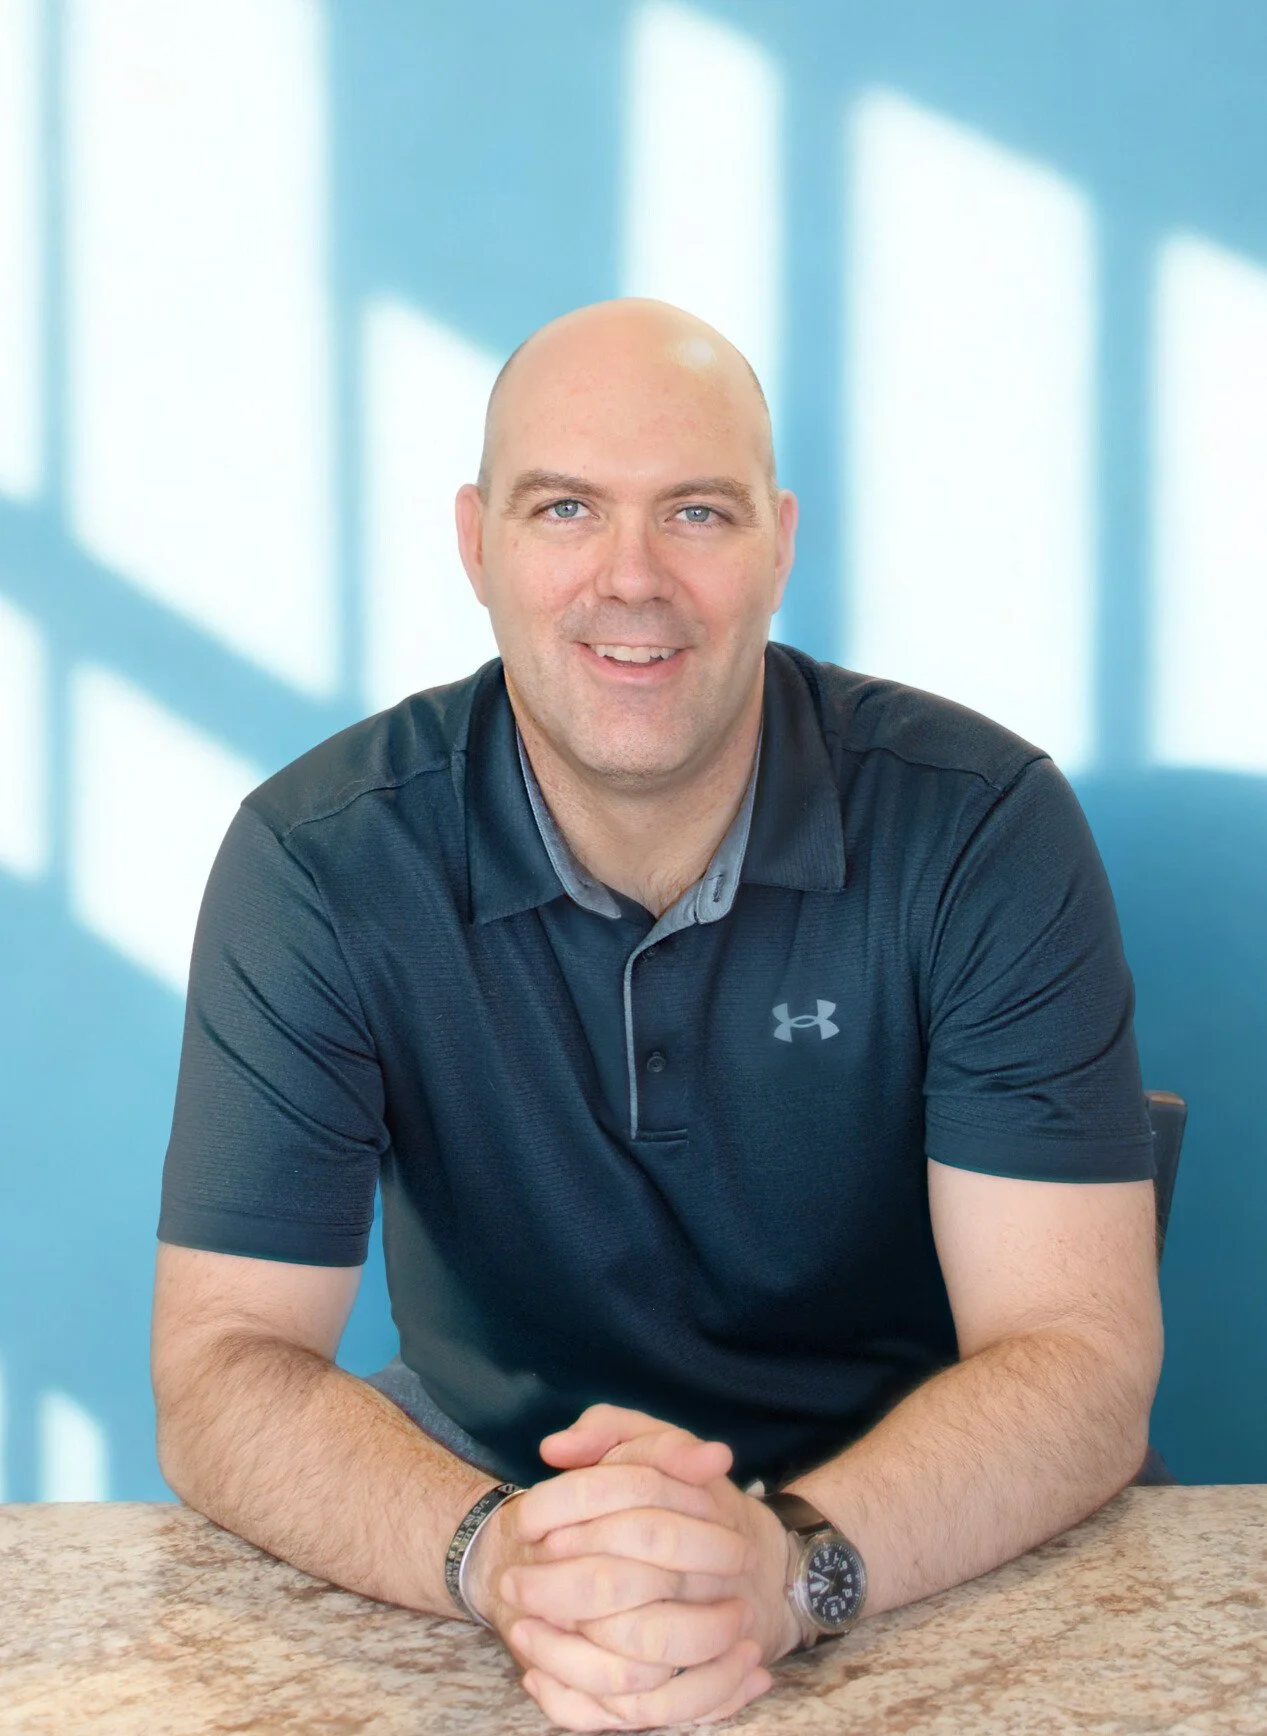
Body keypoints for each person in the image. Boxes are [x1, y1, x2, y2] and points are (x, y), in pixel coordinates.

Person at [151, 296, 1163, 1732]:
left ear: (778, 542)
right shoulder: (319, 860)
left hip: (923, 1523)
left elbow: (1077, 1356)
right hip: (493, 1516)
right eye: (564, 508)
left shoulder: (980, 826)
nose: (631, 579)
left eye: (696, 511)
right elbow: (220, 1367)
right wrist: (502, 1559)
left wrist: (788, 1565)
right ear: (475, 544)